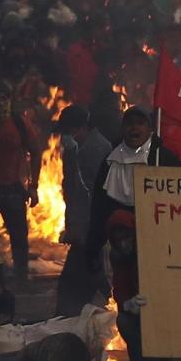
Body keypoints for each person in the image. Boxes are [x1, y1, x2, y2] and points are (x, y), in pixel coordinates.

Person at [85, 108, 179, 361]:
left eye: (140, 123)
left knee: (161, 313)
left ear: (150, 128)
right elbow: (100, 205)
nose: (134, 128)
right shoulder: (112, 160)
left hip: (159, 247)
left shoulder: (164, 158)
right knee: (127, 314)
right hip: (123, 244)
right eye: (129, 123)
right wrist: (93, 245)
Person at [0, 81, 40, 281]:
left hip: (11, 187)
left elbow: (36, 153)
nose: (2, 104)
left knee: (19, 236)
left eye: (5, 99)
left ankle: (21, 275)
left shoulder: (20, 124)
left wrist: (33, 186)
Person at [55, 105, 111, 317]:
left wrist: (80, 229)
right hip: (85, 229)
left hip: (90, 228)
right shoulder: (86, 147)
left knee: (79, 281)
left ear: (78, 129)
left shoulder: (94, 150)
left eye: (66, 132)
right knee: (90, 277)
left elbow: (85, 194)